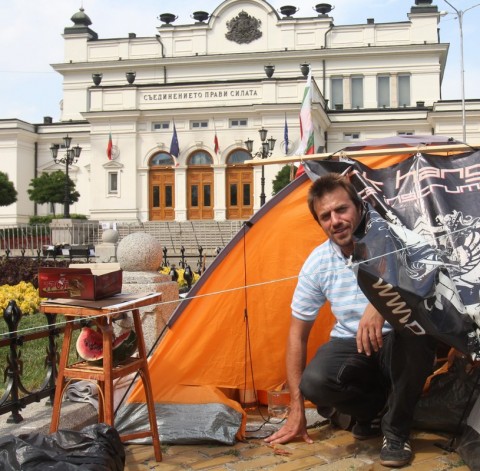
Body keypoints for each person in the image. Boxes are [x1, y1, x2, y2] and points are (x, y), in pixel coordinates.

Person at [265, 173, 437, 468]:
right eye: (325, 216)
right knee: (315, 382)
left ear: (358, 207)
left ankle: (395, 433)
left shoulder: (395, 238)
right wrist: (297, 408)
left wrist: (381, 304)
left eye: (341, 210)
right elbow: (297, 334)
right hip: (353, 346)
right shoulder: (318, 262)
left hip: (399, 341)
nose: (335, 221)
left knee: (416, 335)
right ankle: (376, 412)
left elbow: (429, 282)